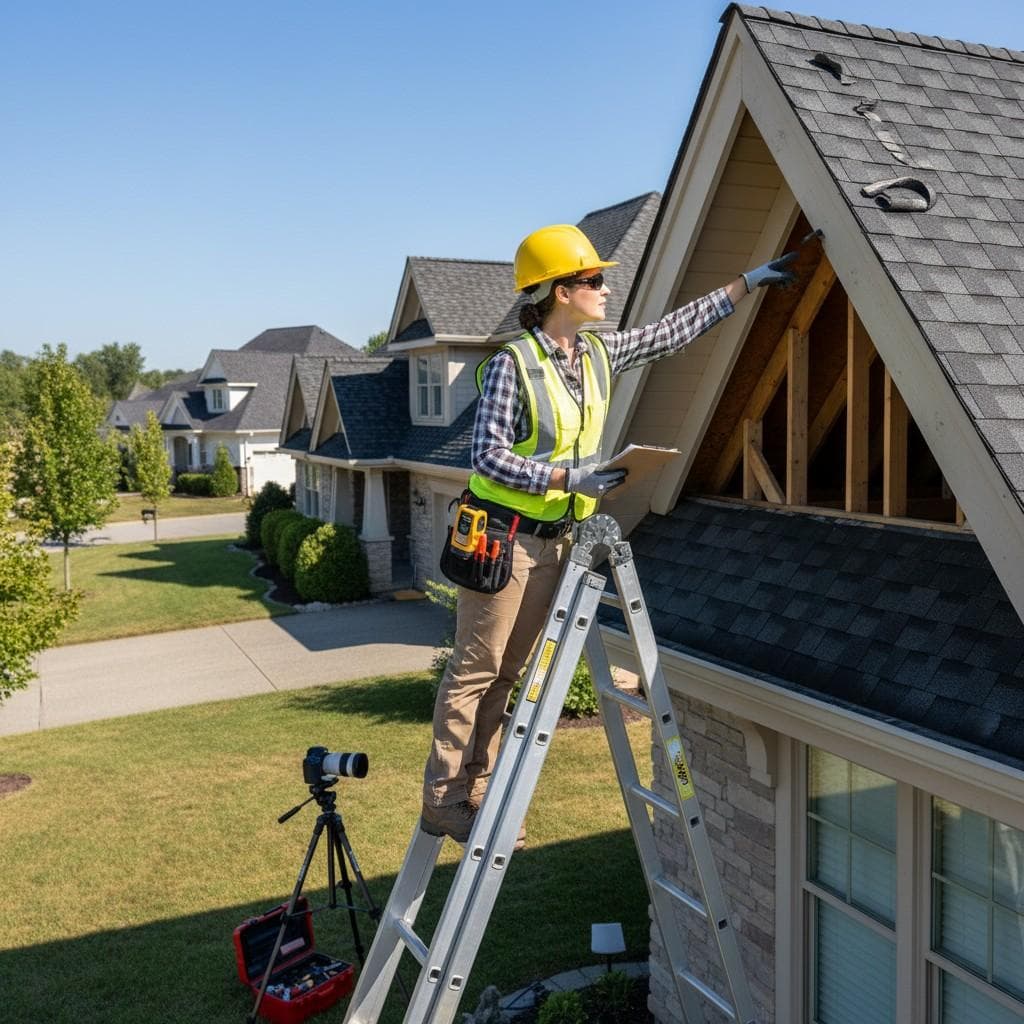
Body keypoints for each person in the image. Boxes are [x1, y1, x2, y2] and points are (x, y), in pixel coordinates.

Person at [421, 223, 797, 843]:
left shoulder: (595, 354)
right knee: (476, 666)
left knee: (510, 670)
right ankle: (443, 797)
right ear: (558, 291)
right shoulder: (513, 366)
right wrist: (571, 476)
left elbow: (668, 334)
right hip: (503, 538)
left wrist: (747, 284)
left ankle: (476, 788)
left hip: (554, 538)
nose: (603, 288)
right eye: (593, 279)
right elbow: (485, 456)